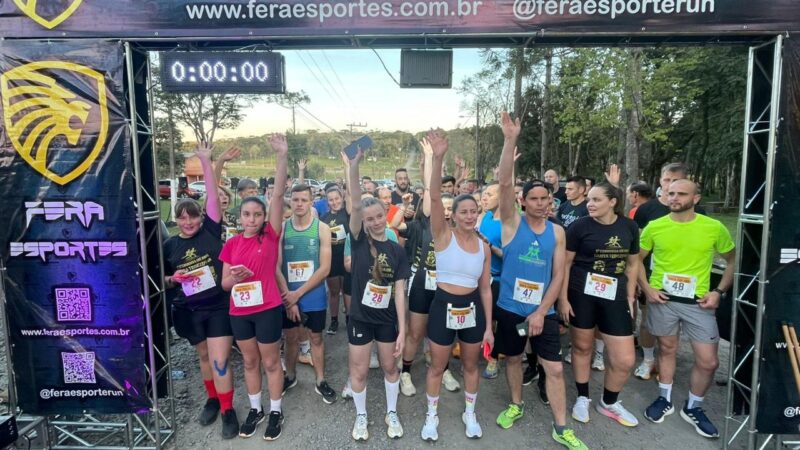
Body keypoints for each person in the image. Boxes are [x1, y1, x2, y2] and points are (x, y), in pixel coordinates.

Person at [494, 112, 587, 450]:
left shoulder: (558, 232)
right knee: (514, 360)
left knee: (555, 369)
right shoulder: (510, 224)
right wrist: (509, 140)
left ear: (552, 201)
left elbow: (558, 273)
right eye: (532, 199)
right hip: (509, 308)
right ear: (522, 202)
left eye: (544, 199)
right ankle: (516, 404)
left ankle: (562, 427)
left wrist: (542, 311)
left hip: (542, 313)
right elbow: (504, 183)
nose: (539, 203)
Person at [639, 179, 734, 439]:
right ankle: (664, 399)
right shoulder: (655, 227)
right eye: (671, 193)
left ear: (696, 198)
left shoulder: (713, 227)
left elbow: (732, 259)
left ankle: (693, 407)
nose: (675, 198)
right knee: (667, 349)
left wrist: (719, 291)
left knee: (709, 361)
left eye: (681, 194)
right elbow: (636, 259)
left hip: (698, 303)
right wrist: (647, 289)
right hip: (664, 300)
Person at [419, 130, 494, 442]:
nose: (468, 215)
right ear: (454, 214)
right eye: (462, 211)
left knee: (471, 366)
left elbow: (486, 289)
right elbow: (435, 196)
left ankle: (470, 412)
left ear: (478, 214)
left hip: (473, 308)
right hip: (443, 305)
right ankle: (431, 415)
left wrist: (489, 326)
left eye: (473, 211)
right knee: (437, 366)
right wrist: (438, 158)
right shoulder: (443, 235)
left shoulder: (484, 246)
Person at [163, 142, 238, 439]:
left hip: (218, 305)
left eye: (192, 215)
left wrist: (207, 161)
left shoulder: (210, 229)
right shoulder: (169, 245)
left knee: (220, 359)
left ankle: (227, 410)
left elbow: (210, 196)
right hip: (189, 310)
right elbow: (164, 279)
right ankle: (212, 399)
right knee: (204, 358)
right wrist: (174, 279)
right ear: (175, 219)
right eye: (182, 217)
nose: (188, 221)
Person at [219, 134, 288, 441]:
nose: (252, 218)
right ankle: (255, 408)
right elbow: (224, 284)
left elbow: (277, 196)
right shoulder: (231, 244)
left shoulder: (270, 237)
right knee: (249, 361)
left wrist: (281, 157)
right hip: (240, 312)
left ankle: (275, 410)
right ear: (240, 216)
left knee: (271, 361)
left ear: (264, 218)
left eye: (257, 215)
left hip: (268, 309)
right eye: (247, 214)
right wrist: (237, 277)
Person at [559, 182, 640, 428]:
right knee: (582, 347)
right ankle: (583, 396)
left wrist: (630, 295)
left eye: (596, 200)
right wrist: (563, 299)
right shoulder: (578, 226)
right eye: (589, 200)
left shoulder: (629, 226)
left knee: (625, 358)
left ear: (612, 202)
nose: (590, 204)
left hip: (614, 295)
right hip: (581, 293)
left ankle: (609, 401)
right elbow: (565, 263)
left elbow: (633, 263)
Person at [345, 148, 410, 441]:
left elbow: (399, 292)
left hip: (386, 319)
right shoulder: (358, 239)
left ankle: (391, 411)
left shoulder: (396, 249)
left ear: (387, 214)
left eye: (378, 216)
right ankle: (361, 415)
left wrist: (402, 330)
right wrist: (355, 167)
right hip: (360, 317)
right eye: (369, 218)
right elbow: (356, 204)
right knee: (358, 370)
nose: (374, 221)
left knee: (389, 367)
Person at [399, 139, 461, 400]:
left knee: (443, 333)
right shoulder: (426, 224)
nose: (445, 212)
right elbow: (430, 192)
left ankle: (443, 368)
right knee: (415, 332)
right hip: (422, 285)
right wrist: (431, 158)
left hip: (446, 289)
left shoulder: (460, 233)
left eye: (450, 208)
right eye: (442, 208)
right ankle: (405, 372)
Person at [632, 162, 696, 380]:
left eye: (676, 181)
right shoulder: (646, 210)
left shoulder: (697, 210)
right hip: (652, 278)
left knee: (674, 326)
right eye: (667, 180)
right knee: (648, 320)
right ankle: (648, 359)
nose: (671, 186)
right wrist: (641, 283)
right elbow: (636, 249)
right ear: (660, 181)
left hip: (688, 279)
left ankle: (666, 360)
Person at [276, 183, 336, 404]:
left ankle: (320, 380)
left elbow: (325, 268)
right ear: (290, 201)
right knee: (290, 337)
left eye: (304, 200)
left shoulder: (321, 228)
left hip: (312, 293)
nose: (299, 204)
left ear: (311, 202)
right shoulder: (282, 228)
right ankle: (290, 376)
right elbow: (276, 265)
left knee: (316, 337)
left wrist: (298, 294)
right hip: (288, 293)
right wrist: (289, 296)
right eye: (295, 199)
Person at [320, 184, 350, 335]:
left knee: (347, 290)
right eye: (331, 200)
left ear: (342, 198)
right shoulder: (324, 218)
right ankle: (333, 320)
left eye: (337, 198)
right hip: (331, 259)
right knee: (333, 291)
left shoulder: (347, 213)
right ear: (327, 201)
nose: (334, 202)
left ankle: (350, 319)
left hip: (346, 256)